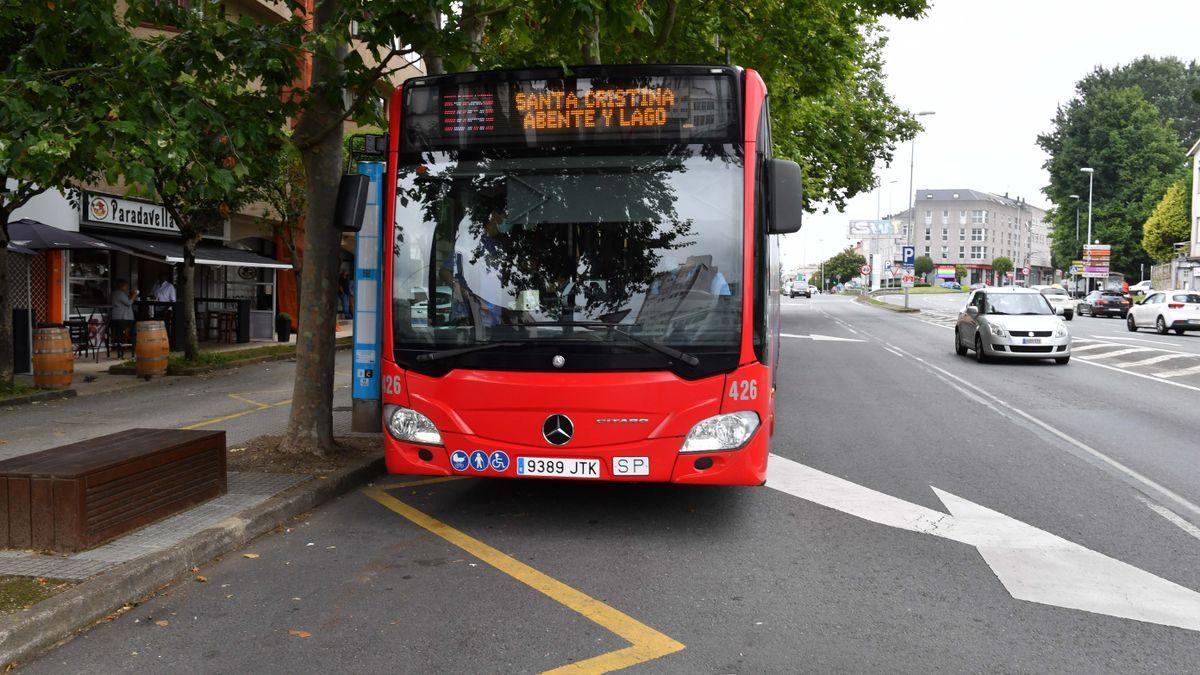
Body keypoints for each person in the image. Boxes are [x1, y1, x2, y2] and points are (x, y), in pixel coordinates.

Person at [110, 279, 137, 354]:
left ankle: (122, 343)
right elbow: (128, 303)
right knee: (134, 327)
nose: (127, 287)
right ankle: (130, 345)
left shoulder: (115, 293)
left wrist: (130, 296)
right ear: (122, 286)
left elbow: (124, 300)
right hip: (122, 318)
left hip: (116, 318)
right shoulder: (120, 293)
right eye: (126, 286)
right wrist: (134, 296)